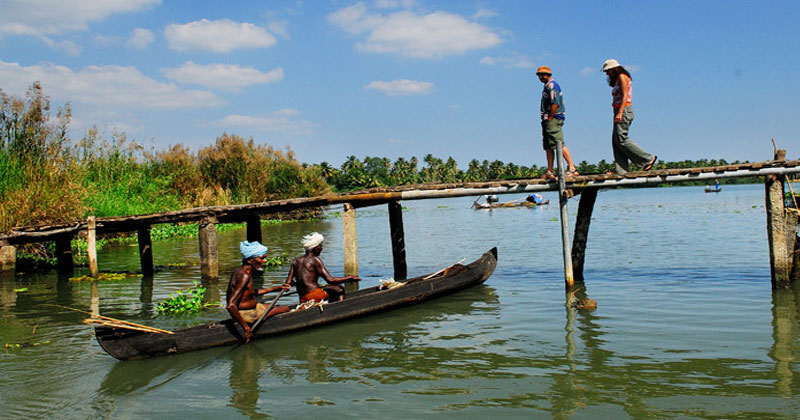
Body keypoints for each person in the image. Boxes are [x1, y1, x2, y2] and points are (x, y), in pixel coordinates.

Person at [226, 241, 291, 343]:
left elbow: (251, 293)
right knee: (285, 308)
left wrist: (277, 288)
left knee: (274, 306)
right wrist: (246, 328)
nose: (265, 261)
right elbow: (230, 305)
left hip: (252, 308)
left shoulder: (239, 270)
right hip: (247, 314)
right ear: (250, 260)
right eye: (262, 258)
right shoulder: (245, 275)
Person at [601, 59, 657, 174]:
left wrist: (620, 112)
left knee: (621, 138)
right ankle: (621, 170)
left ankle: (647, 158)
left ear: (614, 69)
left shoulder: (622, 76)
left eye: (608, 71)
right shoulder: (617, 79)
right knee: (616, 140)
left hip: (624, 109)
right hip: (617, 109)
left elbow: (625, 95)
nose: (607, 73)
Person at [286, 232, 360, 303]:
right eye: (321, 246)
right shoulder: (315, 260)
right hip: (314, 296)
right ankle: (339, 308)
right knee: (339, 288)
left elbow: (288, 283)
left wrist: (298, 283)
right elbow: (330, 280)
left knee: (329, 288)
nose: (322, 249)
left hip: (302, 298)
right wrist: (349, 278)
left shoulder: (296, 261)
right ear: (317, 248)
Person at [536, 65, 578, 180]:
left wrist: (550, 117)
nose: (540, 77)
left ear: (548, 75)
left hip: (553, 118)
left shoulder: (552, 86)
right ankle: (550, 171)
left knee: (558, 142)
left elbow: (555, 103)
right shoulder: (546, 86)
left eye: (542, 75)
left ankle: (572, 168)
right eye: (539, 75)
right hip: (546, 119)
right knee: (548, 145)